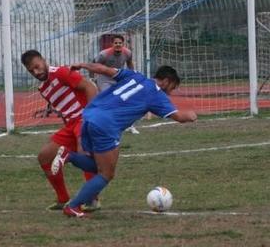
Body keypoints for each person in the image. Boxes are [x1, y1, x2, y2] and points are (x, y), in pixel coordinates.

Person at [51, 63, 197, 217]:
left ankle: (69, 156)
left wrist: (82, 65)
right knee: (106, 174)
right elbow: (180, 117)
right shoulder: (156, 94)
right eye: (172, 87)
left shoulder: (136, 75)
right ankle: (73, 206)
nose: (171, 92)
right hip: (106, 124)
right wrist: (193, 115)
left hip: (89, 115)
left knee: (96, 165)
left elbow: (104, 69)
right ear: (167, 81)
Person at [20, 50, 100, 211]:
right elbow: (63, 109)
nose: (36, 72)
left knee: (82, 151)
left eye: (37, 66)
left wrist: (90, 116)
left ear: (44, 60)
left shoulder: (62, 72)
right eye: (31, 70)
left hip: (83, 118)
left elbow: (90, 87)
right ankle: (63, 199)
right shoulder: (43, 88)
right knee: (44, 157)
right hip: (70, 125)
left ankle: (92, 199)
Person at [94, 34, 140, 134]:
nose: (118, 44)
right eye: (116, 43)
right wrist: (94, 77)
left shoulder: (127, 53)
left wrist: (132, 74)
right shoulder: (104, 54)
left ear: (123, 44)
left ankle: (130, 125)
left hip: (118, 77)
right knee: (110, 101)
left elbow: (129, 63)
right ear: (112, 44)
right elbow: (95, 64)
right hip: (105, 78)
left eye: (120, 43)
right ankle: (106, 125)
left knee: (126, 99)